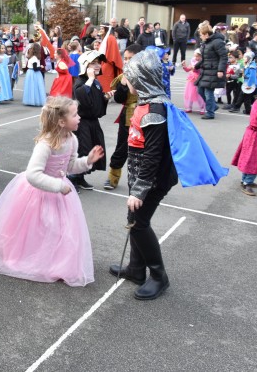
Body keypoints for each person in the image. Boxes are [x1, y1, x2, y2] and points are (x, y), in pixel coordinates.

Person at [0, 96, 104, 286]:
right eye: (75, 114)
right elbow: (33, 174)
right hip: (38, 192)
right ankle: (35, 257)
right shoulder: (46, 144)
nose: (79, 117)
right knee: (39, 227)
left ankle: (57, 261)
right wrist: (57, 186)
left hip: (60, 191)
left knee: (60, 228)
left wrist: (87, 161)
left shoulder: (72, 139)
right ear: (61, 121)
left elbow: (70, 165)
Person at [108, 50, 179, 300]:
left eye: (129, 78)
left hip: (152, 179)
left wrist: (139, 190)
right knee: (133, 219)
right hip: (140, 175)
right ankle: (136, 269)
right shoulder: (146, 102)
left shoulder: (155, 109)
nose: (125, 82)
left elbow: (153, 155)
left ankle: (159, 276)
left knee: (139, 224)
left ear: (141, 80)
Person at [68, 50, 111, 192]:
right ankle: (72, 179)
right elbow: (82, 98)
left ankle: (80, 178)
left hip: (93, 122)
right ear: (85, 65)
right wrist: (91, 79)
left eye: (98, 63)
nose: (97, 66)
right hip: (82, 123)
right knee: (83, 150)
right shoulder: (80, 82)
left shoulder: (96, 83)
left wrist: (105, 98)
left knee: (93, 147)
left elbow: (95, 101)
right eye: (93, 63)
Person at [104, 44, 144, 191]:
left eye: (130, 58)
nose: (126, 61)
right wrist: (122, 84)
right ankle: (113, 177)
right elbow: (120, 98)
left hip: (146, 116)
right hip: (127, 116)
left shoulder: (149, 74)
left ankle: (144, 181)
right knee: (122, 147)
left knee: (146, 150)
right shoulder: (123, 76)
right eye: (125, 58)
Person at [197, 23, 227, 119]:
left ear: (206, 34)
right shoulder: (206, 43)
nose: (200, 37)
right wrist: (196, 66)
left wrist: (220, 70)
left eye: (201, 35)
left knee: (208, 93)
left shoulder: (217, 42)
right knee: (200, 90)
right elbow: (205, 58)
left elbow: (223, 56)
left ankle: (210, 113)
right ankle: (213, 106)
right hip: (206, 70)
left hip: (214, 70)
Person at [181, 48, 206, 114]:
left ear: (201, 56)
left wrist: (194, 68)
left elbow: (198, 70)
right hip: (191, 79)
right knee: (189, 94)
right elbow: (187, 70)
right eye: (195, 56)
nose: (196, 58)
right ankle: (188, 107)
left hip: (199, 79)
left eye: (198, 56)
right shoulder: (193, 61)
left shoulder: (203, 62)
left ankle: (202, 108)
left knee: (199, 94)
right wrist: (184, 66)